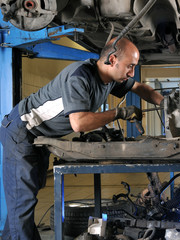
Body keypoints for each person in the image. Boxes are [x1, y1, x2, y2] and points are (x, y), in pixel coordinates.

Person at [0, 37, 163, 239]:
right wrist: (119, 113)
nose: (131, 73)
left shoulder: (111, 79)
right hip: (21, 130)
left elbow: (139, 87)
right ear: (112, 59)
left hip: (39, 135)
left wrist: (166, 103)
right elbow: (79, 123)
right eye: (130, 66)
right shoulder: (80, 77)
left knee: (23, 199)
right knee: (22, 201)